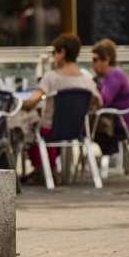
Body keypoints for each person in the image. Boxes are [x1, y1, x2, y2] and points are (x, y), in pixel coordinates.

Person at [21, 33, 102, 184]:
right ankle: (47, 170)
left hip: (51, 130)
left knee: (29, 128)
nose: (53, 57)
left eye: (54, 53)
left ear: (62, 52)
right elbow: (99, 101)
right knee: (37, 130)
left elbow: (31, 103)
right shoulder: (86, 78)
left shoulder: (51, 77)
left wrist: (17, 101)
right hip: (77, 130)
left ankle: (46, 170)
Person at [91, 38, 129, 173]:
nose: (92, 64)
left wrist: (90, 86)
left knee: (74, 129)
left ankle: (51, 167)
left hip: (118, 124)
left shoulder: (114, 76)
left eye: (95, 60)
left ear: (106, 60)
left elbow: (102, 101)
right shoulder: (115, 75)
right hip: (118, 121)